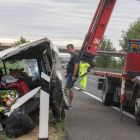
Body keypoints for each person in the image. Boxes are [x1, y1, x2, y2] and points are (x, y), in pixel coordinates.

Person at [65, 44, 79, 109]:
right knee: (70, 89)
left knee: (66, 88)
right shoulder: (72, 55)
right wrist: (67, 74)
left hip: (72, 75)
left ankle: (65, 102)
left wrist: (74, 75)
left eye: (69, 49)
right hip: (70, 74)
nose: (68, 50)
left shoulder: (75, 55)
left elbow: (76, 66)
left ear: (72, 48)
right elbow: (71, 66)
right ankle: (69, 104)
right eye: (67, 49)